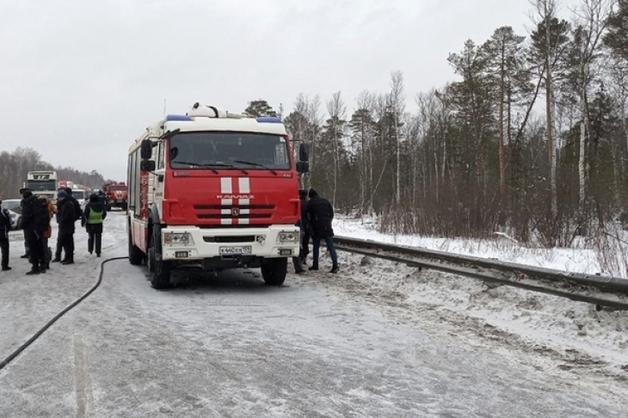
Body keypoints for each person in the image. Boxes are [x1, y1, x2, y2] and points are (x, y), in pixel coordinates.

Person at [306, 188, 339, 273]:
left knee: (316, 247)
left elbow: (308, 216)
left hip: (316, 228)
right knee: (331, 247)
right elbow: (331, 213)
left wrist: (310, 226)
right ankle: (335, 265)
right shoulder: (325, 201)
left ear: (310, 196)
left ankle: (315, 264)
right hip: (327, 227)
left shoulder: (310, 203)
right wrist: (328, 222)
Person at [20, 189, 48, 274]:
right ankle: (43, 265)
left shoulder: (27, 203)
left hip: (31, 229)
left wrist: (22, 225)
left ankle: (35, 267)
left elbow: (26, 217)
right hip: (39, 229)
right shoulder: (38, 202)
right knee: (40, 247)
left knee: (33, 248)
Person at [56, 190, 76, 264]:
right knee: (65, 243)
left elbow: (68, 216)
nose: (59, 199)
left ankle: (69, 258)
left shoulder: (68, 204)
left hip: (67, 227)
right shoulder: (64, 204)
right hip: (65, 227)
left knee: (68, 243)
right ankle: (67, 257)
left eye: (59, 197)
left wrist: (63, 221)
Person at [298, 189, 311, 265]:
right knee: (305, 243)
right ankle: (304, 257)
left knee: (298, 243)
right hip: (307, 225)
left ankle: (300, 256)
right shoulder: (308, 204)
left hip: (299, 224)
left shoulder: (297, 203)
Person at [0, 196, 11, 271]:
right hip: (2, 232)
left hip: (3, 231)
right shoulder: (4, 211)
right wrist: (7, 229)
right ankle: (4, 265)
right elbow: (8, 222)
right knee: (5, 249)